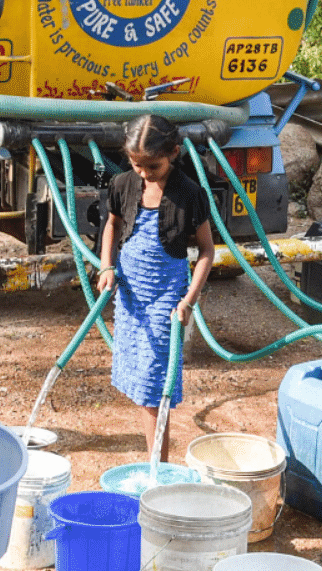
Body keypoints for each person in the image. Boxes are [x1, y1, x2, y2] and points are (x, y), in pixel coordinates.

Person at [97, 115, 213, 461]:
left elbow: (207, 250)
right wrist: (107, 266)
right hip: (131, 295)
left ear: (174, 153)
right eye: (137, 165)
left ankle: (158, 472)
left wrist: (189, 300)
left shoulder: (190, 194)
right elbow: (112, 226)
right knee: (139, 382)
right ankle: (155, 466)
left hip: (167, 298)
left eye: (153, 166)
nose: (144, 173)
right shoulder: (123, 184)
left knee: (153, 388)